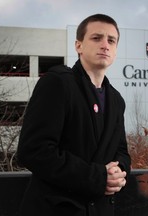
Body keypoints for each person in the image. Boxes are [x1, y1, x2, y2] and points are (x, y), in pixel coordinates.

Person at [17, 14, 131, 216]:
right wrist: (98, 177)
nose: (105, 45)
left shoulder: (116, 100)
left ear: (115, 50)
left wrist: (119, 172)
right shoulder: (57, 83)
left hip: (100, 209)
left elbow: (121, 151)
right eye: (96, 38)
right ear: (78, 45)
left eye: (111, 40)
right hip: (56, 209)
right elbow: (33, 151)